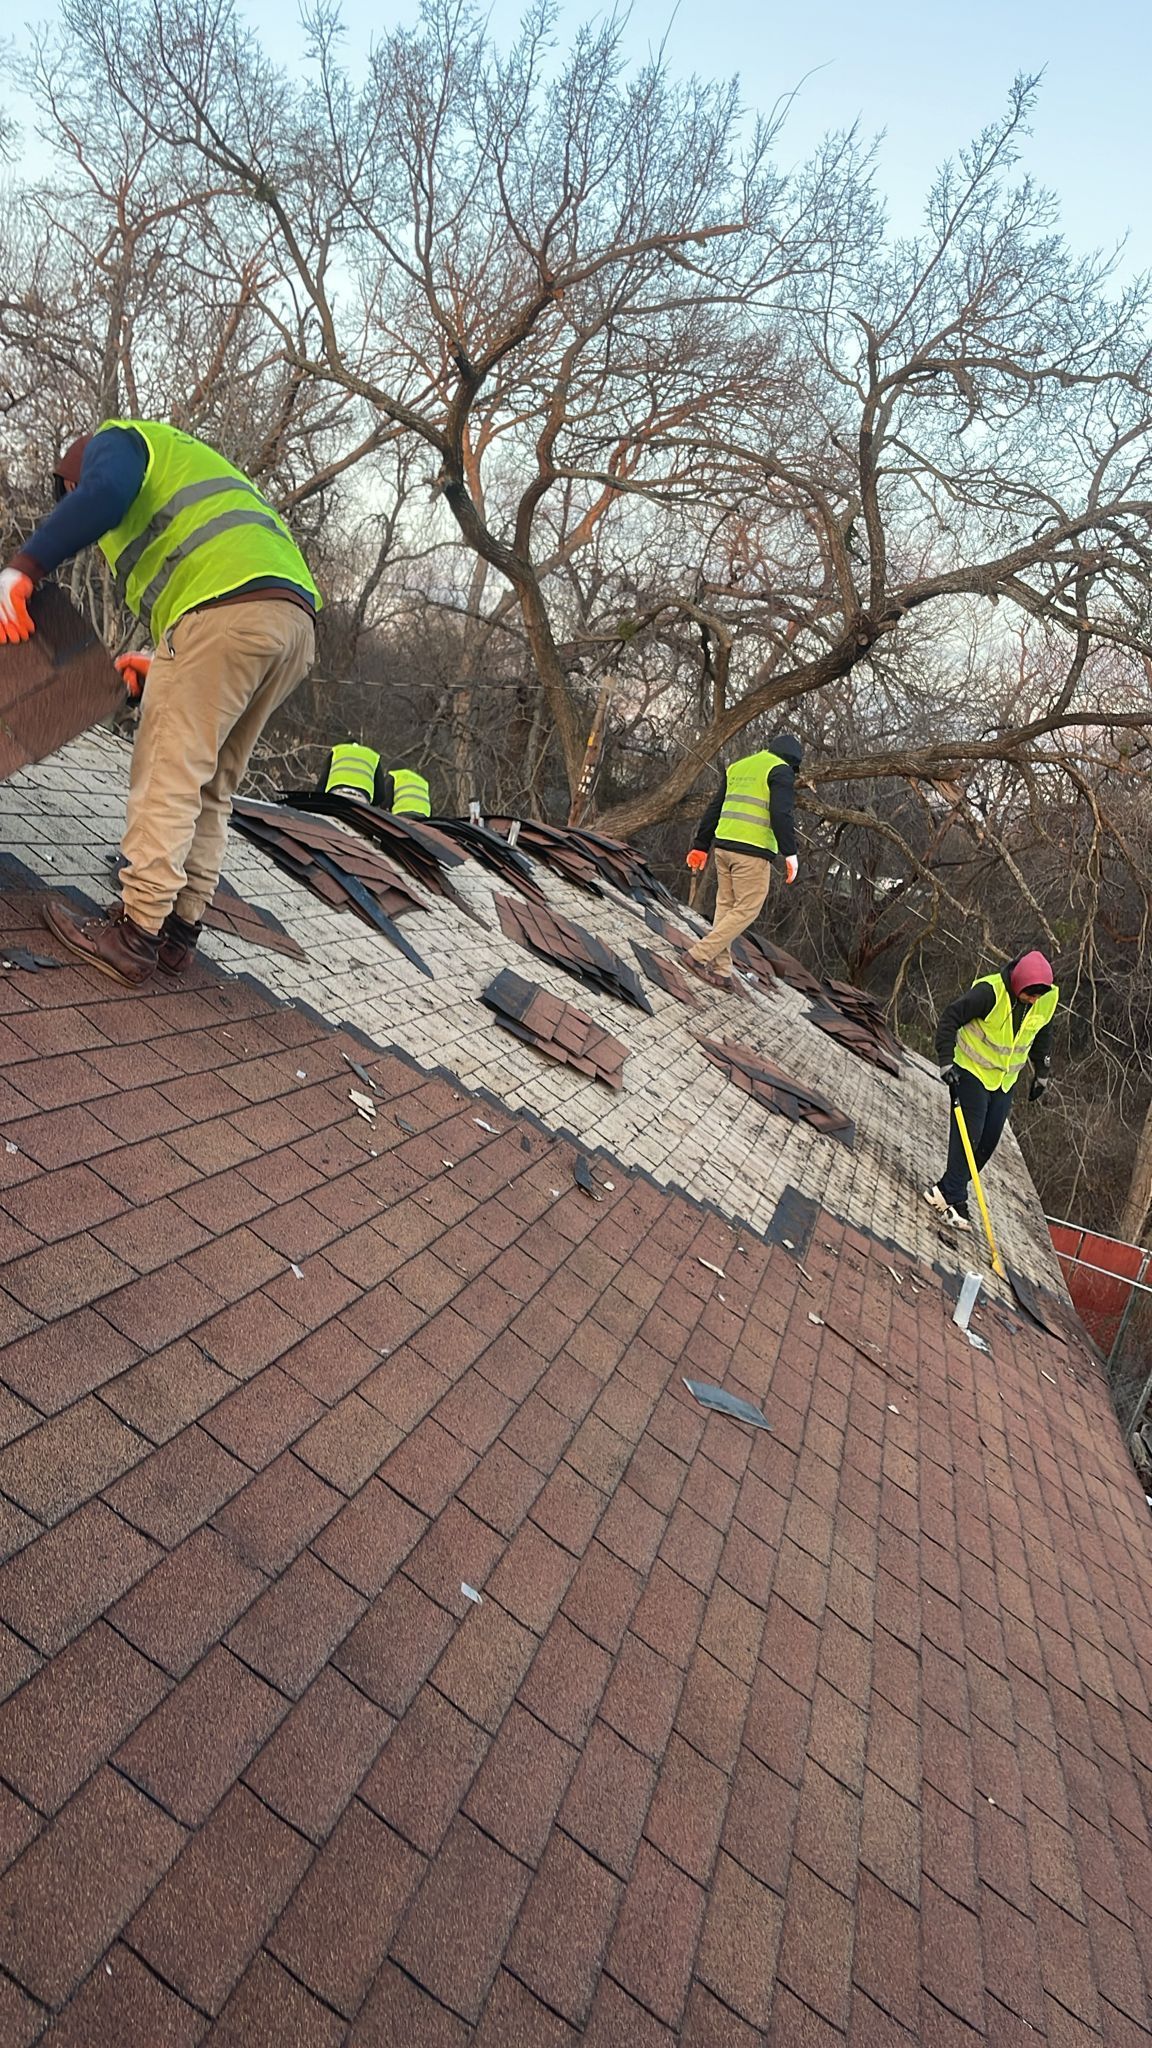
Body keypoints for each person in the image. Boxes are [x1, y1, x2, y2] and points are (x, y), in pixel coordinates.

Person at [0, 419, 320, 985]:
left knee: (169, 769)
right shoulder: (181, 466)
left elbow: (104, 494)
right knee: (213, 782)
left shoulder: (115, 445)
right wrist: (163, 658)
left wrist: (24, 567)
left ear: (72, 477)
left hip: (227, 615)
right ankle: (177, 934)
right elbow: (210, 576)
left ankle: (134, 934)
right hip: (289, 625)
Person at [925, 949, 1058, 1230]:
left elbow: (1042, 1034)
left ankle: (945, 1189)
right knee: (968, 1135)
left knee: (987, 1143)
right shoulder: (989, 993)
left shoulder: (1045, 1001)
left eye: (1038, 996)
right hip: (969, 1071)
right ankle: (956, 1200)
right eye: (1030, 995)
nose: (1034, 1001)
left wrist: (1041, 1074)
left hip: (1003, 1081)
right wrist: (946, 1063)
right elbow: (950, 1017)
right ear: (1019, 985)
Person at [683, 734, 803, 986]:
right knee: (747, 909)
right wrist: (790, 853)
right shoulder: (780, 771)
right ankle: (698, 955)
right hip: (752, 851)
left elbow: (714, 808)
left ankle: (722, 970)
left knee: (726, 907)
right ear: (792, 763)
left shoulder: (739, 766)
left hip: (723, 847)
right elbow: (781, 813)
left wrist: (701, 845)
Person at [317, 744, 431, 816]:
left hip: (336, 795)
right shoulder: (422, 781)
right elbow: (379, 796)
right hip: (424, 821)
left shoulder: (395, 776)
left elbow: (384, 799)